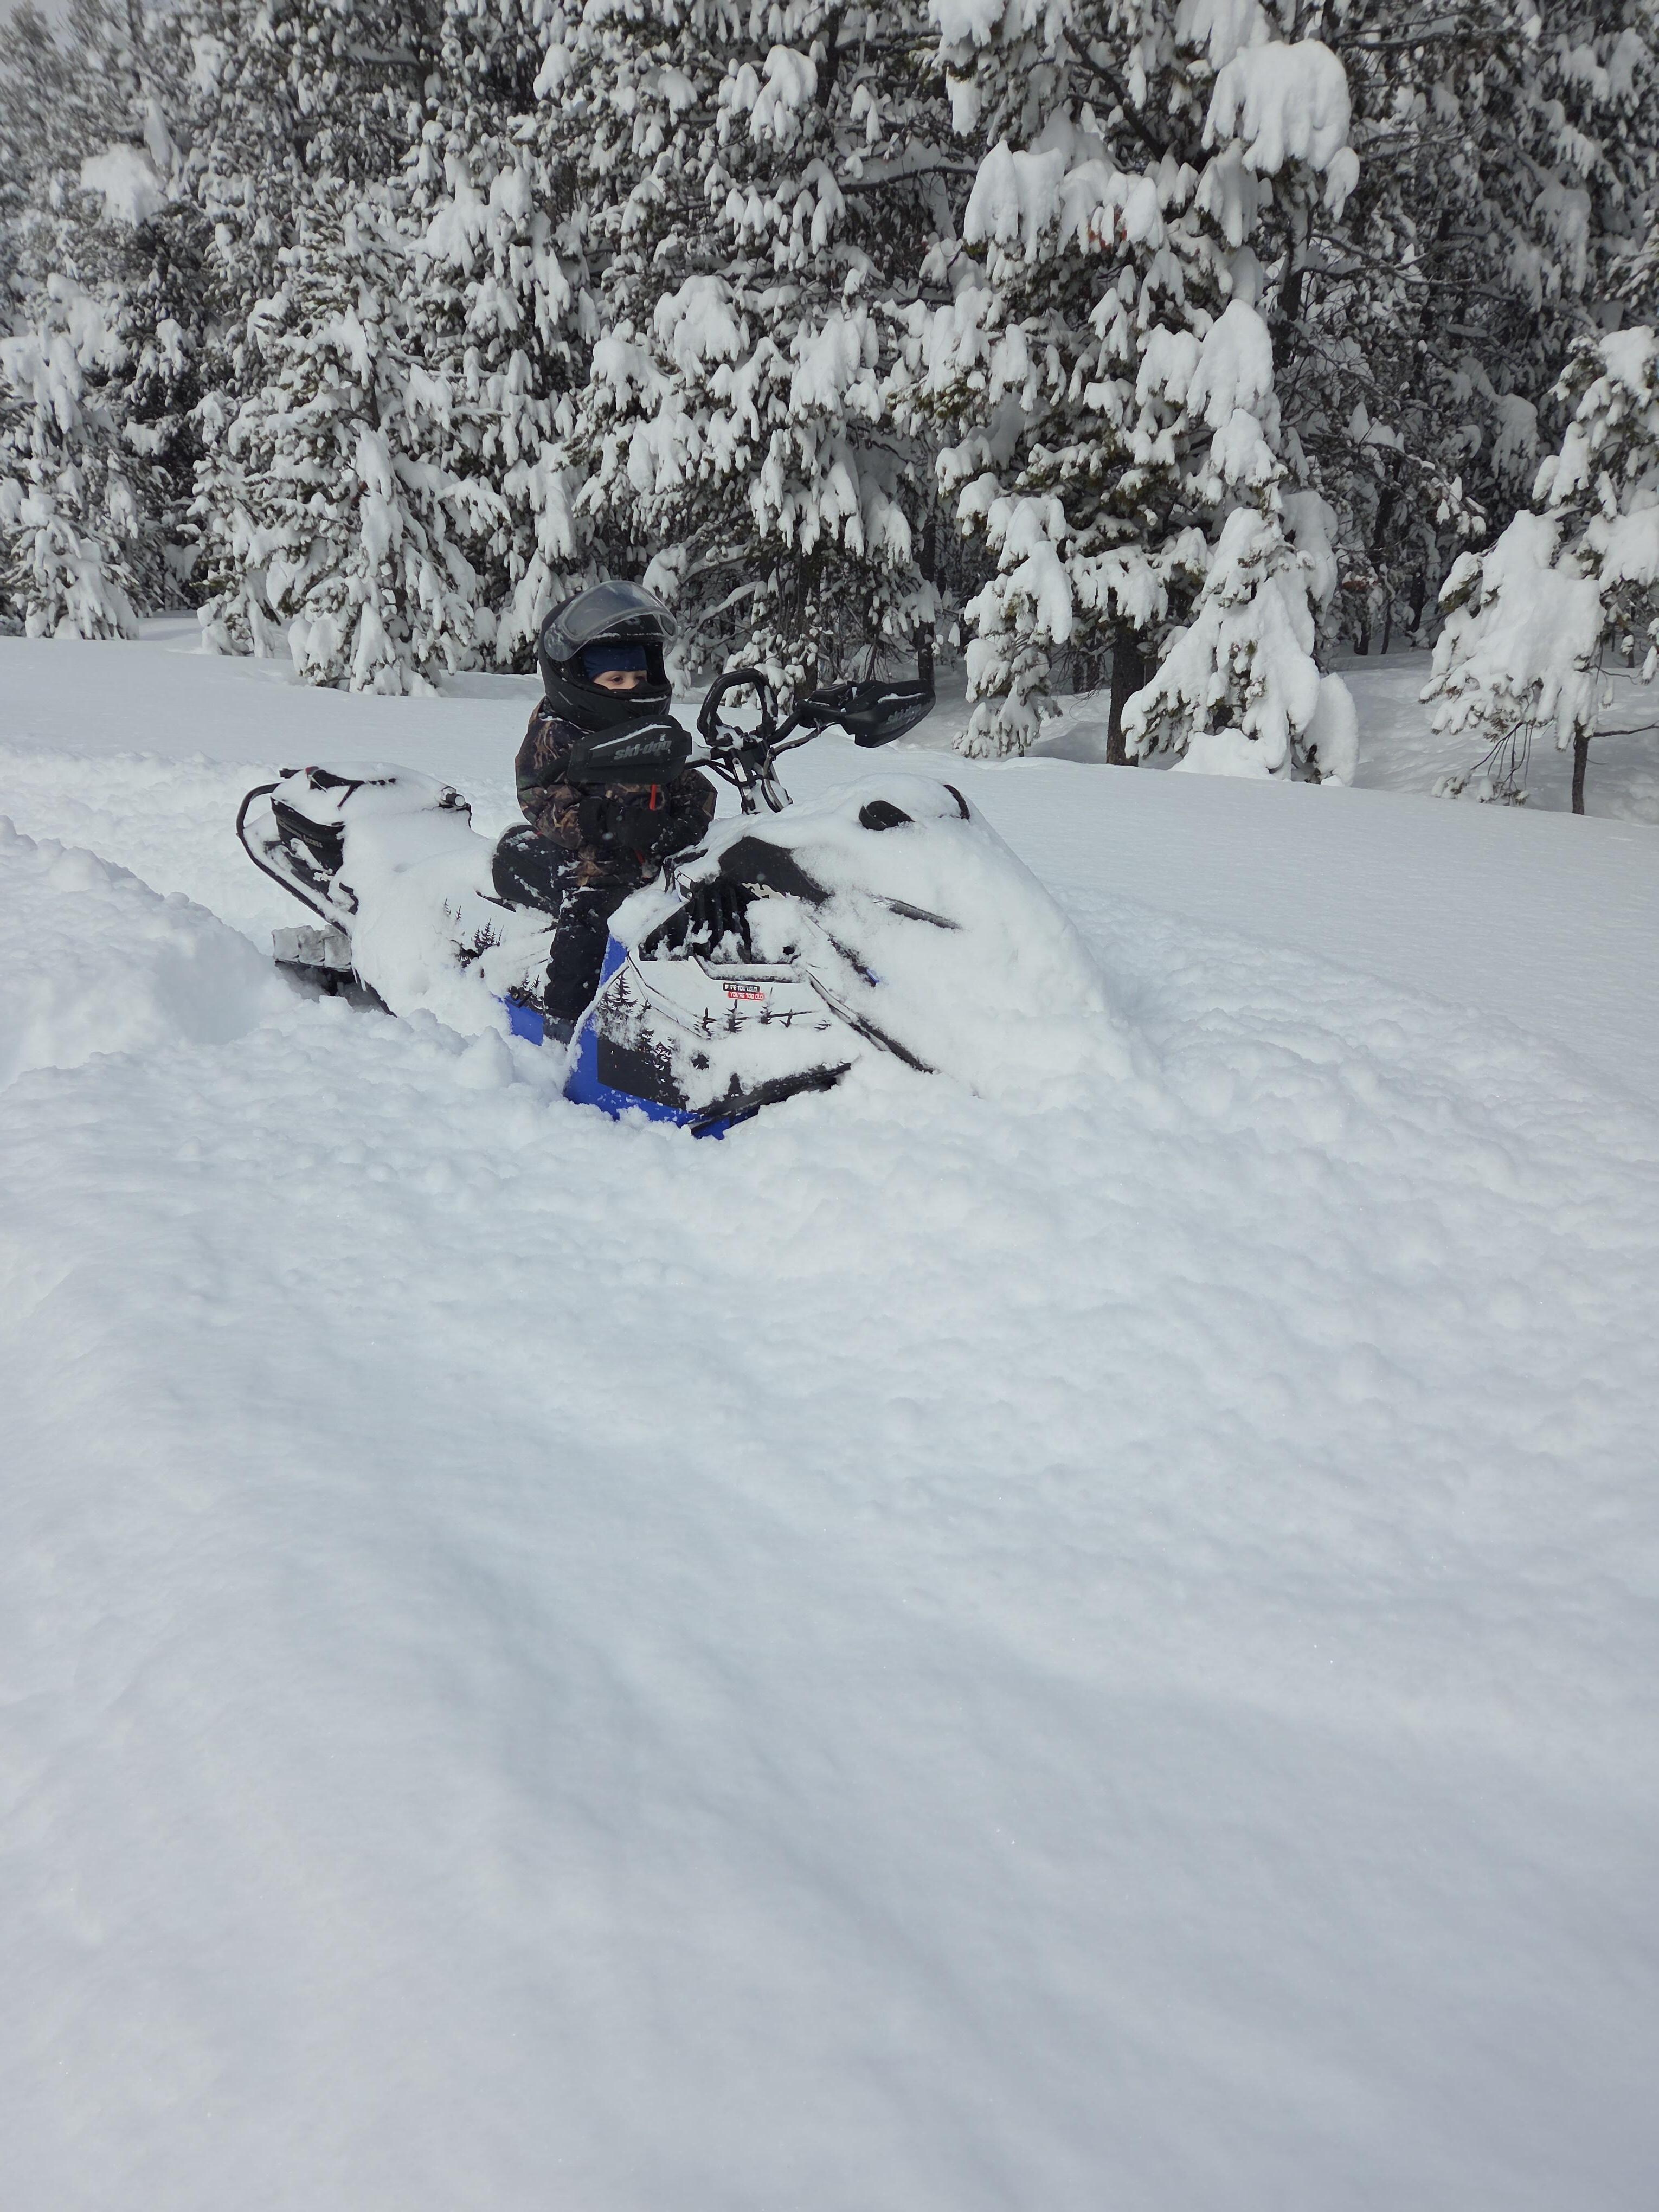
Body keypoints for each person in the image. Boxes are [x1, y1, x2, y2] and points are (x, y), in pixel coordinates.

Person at [494, 580, 716, 1038]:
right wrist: (604, 822)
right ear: (579, 681)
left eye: (637, 678)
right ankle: (563, 1025)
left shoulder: (650, 726)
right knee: (590, 917)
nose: (629, 688)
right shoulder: (559, 733)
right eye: (615, 680)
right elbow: (539, 797)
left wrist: (688, 822)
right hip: (591, 859)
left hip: (653, 856)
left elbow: (691, 783)